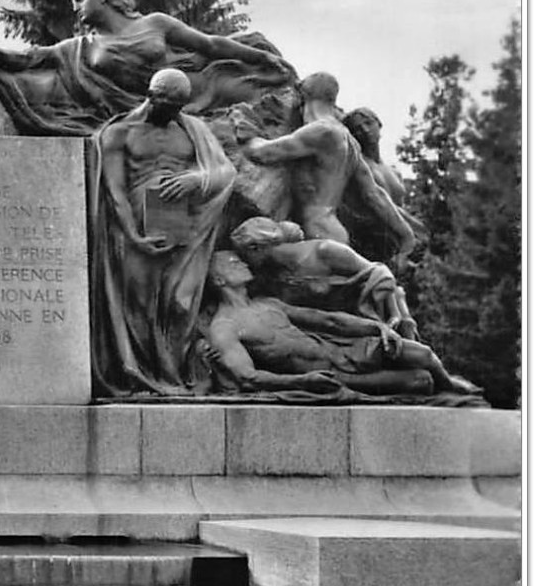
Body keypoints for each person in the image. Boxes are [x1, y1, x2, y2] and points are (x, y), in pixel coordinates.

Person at [0, 0, 294, 136]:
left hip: (196, 91)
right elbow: (32, 58)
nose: (75, 6)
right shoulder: (81, 47)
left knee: (261, 99)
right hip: (135, 110)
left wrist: (257, 57)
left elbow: (211, 45)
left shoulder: (156, 23)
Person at [92, 68, 236, 395]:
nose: (175, 112)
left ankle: (176, 373)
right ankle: (150, 375)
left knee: (180, 303)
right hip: (137, 230)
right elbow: (114, 191)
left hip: (184, 226)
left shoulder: (193, 129)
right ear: (152, 95)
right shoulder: (119, 134)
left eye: (180, 106)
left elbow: (225, 171)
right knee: (140, 305)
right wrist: (133, 236)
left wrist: (196, 179)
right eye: (169, 105)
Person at [202, 251, 478, 397]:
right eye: (230, 262)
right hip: (330, 374)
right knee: (420, 381)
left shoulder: (268, 303)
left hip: (342, 348)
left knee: (424, 354)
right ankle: (437, 385)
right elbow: (248, 379)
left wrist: (377, 328)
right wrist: (303, 381)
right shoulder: (224, 327)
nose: (239, 262)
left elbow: (328, 320)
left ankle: (449, 384)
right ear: (219, 280)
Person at [237, 72, 415, 265]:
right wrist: (407, 235)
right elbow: (375, 196)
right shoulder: (350, 141)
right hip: (333, 234)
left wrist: (245, 130)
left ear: (302, 96)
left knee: (251, 248)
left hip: (318, 234)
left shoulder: (322, 132)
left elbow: (262, 154)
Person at [229, 216, 417, 339]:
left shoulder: (324, 251)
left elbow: (379, 272)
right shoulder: (275, 274)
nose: (245, 262)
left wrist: (395, 315)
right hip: (333, 331)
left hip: (370, 324)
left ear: (255, 248)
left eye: (244, 255)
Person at [341, 106, 425, 265]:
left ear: (379, 124)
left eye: (368, 123)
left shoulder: (393, 171)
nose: (365, 130)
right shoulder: (359, 167)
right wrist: (420, 229)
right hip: (373, 243)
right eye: (357, 129)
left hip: (399, 241)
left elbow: (400, 208)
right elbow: (381, 203)